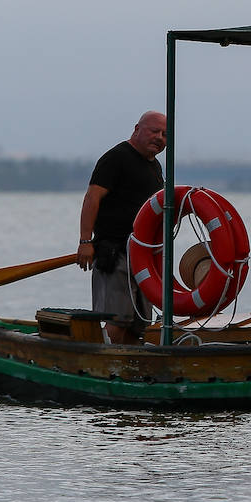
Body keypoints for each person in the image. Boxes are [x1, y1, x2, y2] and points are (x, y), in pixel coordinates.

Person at [75, 111, 167, 343]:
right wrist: (85, 242)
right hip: (114, 254)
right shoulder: (116, 158)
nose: (159, 137)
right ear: (137, 129)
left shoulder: (155, 166)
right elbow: (92, 198)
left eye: (165, 134)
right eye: (154, 131)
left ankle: (129, 370)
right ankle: (102, 367)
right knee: (117, 319)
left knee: (140, 324)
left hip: (143, 257)